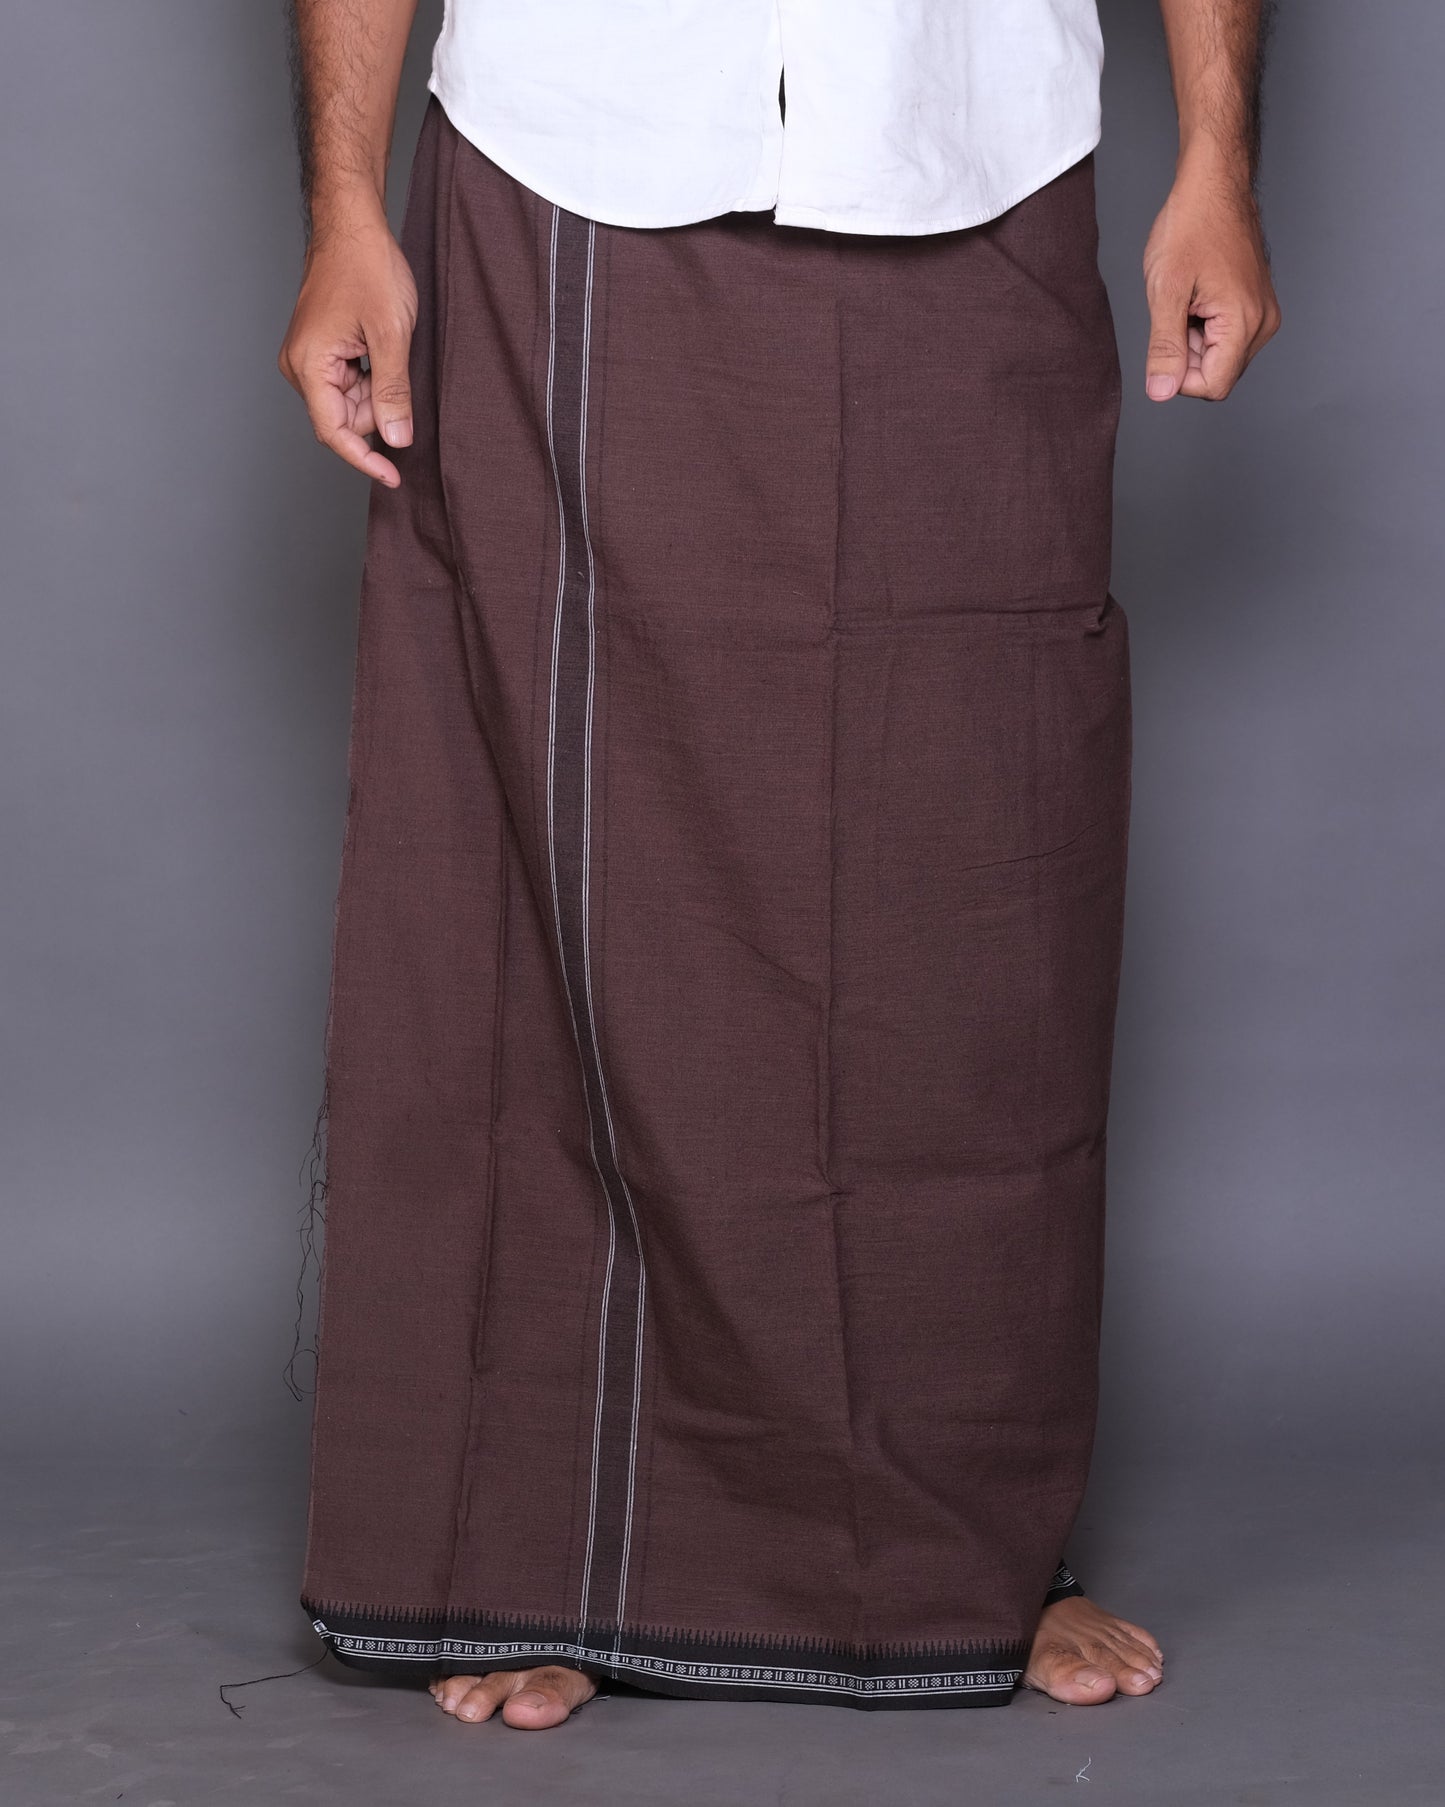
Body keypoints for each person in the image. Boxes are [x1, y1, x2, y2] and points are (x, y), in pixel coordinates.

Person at [277, 0, 1280, 1730]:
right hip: (566, 146)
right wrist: (347, 210)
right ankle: (537, 1552)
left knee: (974, 870)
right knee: (547, 852)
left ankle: (975, 1550)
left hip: (973, 145)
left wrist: (1217, 160)